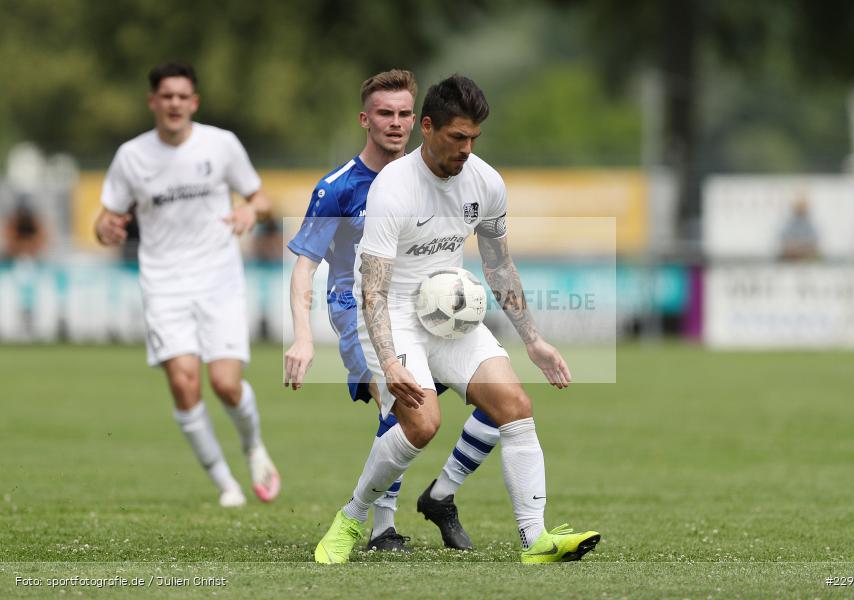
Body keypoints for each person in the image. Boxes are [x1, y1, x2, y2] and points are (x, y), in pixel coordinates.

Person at [313, 75, 601, 564]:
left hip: (448, 317)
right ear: (428, 128)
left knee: (514, 404)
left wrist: (533, 340)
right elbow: (374, 286)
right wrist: (389, 361)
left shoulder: (486, 183)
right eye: (457, 138)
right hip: (394, 315)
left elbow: (498, 264)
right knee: (422, 423)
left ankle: (536, 541)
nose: (467, 149)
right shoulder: (393, 188)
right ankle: (352, 517)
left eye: (474, 139)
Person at [284, 69, 499, 552]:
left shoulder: (440, 174)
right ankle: (381, 526)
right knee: (400, 402)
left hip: (433, 313)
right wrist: (301, 336)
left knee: (497, 400)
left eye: (404, 112)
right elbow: (304, 268)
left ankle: (442, 494)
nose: (395, 122)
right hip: (361, 311)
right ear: (366, 119)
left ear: (420, 121)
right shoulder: (338, 188)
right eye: (385, 113)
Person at [94, 62, 280, 508]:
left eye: (182, 96)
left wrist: (252, 212)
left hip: (219, 278)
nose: (174, 103)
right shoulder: (132, 156)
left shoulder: (221, 145)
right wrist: (106, 231)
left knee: (226, 385)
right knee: (183, 382)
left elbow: (262, 198)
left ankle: (254, 448)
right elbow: (105, 218)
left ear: (193, 102)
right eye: (166, 96)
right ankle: (225, 483)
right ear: (153, 102)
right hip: (163, 283)